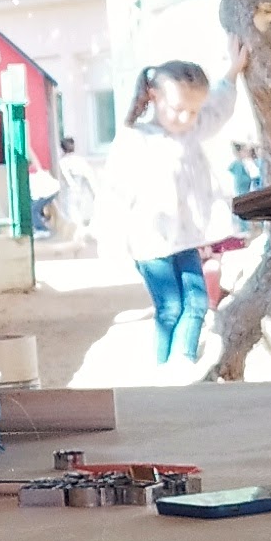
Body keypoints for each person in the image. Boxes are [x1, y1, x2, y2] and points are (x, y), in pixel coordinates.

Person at [101, 56, 236, 368]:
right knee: (171, 307)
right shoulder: (136, 138)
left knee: (199, 302)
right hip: (150, 244)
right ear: (154, 96)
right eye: (177, 109)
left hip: (185, 240)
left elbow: (217, 111)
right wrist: (112, 239)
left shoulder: (190, 132)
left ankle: (183, 361)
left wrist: (231, 73)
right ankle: (163, 367)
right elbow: (114, 192)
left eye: (192, 111)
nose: (185, 117)